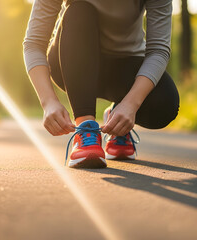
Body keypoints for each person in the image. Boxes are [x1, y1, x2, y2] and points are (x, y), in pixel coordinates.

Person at [23, 0, 180, 168]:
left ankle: (117, 120)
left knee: (165, 103)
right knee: (80, 9)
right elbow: (34, 44)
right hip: (71, 64)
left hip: (126, 66)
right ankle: (86, 130)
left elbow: (158, 50)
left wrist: (130, 105)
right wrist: (48, 102)